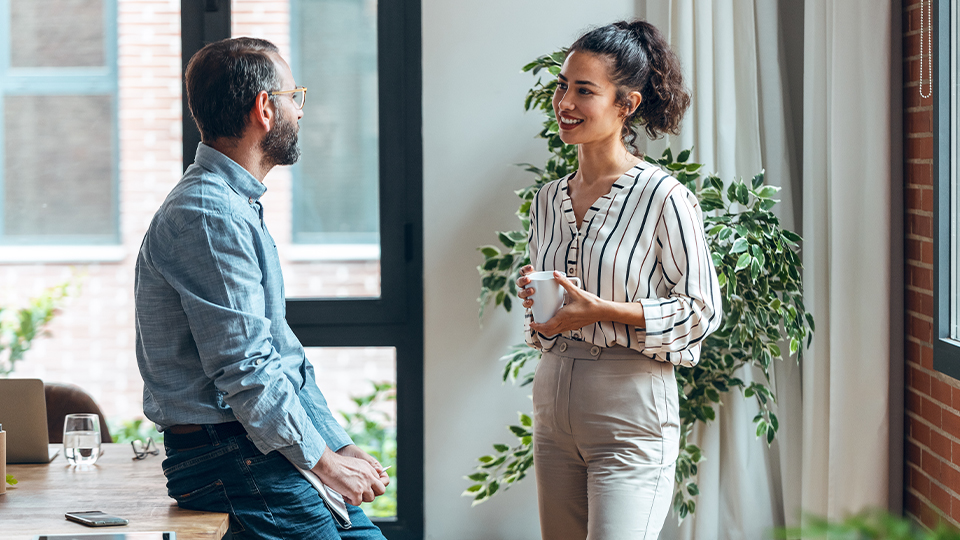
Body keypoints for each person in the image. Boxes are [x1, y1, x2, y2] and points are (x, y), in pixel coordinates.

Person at [134, 37, 389, 540]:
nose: (301, 111)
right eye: (296, 96)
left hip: (258, 447)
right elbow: (245, 366)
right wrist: (322, 461)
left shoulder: (232, 205)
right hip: (230, 457)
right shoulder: (208, 215)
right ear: (265, 108)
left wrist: (334, 446)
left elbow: (280, 352)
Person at [516, 20, 721, 540]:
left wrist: (602, 310)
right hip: (554, 402)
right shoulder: (546, 199)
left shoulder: (664, 197)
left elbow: (701, 310)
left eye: (585, 90)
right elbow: (549, 319)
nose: (565, 100)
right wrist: (539, 311)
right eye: (563, 85)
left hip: (629, 411)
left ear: (626, 105)